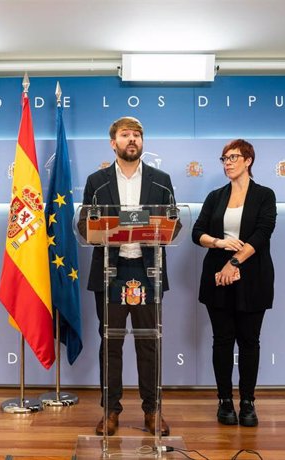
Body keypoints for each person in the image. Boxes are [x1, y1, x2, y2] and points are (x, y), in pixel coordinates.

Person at [81, 116, 175, 437]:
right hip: (110, 271)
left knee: (150, 343)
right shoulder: (97, 180)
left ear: (142, 142)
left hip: (148, 273)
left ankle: (153, 411)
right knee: (111, 344)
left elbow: (172, 222)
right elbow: (84, 222)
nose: (132, 139)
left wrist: (151, 226)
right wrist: (110, 228)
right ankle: (111, 412)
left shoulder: (161, 181)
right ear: (113, 143)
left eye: (137, 135)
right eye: (125, 135)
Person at [191, 139, 276, 427]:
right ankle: (225, 401)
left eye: (233, 157)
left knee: (250, 341)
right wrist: (217, 242)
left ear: (248, 160)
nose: (228, 162)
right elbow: (197, 232)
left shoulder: (265, 195)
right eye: (224, 158)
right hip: (217, 277)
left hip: (253, 276)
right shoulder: (216, 196)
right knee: (222, 341)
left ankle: (248, 402)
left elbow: (263, 233)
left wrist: (234, 262)